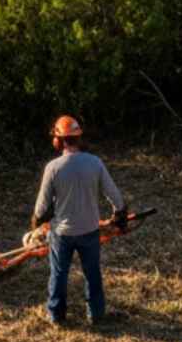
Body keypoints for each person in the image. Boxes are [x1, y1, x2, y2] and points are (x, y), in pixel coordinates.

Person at [29, 115, 127, 326]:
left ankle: (56, 315)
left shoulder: (53, 168)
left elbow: (41, 208)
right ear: (78, 138)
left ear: (59, 140)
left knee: (59, 274)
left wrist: (36, 223)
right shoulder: (95, 162)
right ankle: (96, 314)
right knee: (92, 273)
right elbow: (115, 197)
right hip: (90, 230)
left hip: (62, 234)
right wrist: (119, 214)